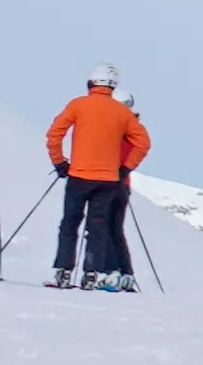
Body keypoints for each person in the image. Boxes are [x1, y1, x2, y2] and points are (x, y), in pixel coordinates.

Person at [43, 71, 147, 289]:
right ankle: (91, 274)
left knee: (70, 223)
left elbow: (55, 133)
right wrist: (126, 168)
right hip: (109, 179)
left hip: (79, 175)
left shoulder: (78, 105)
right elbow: (143, 142)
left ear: (91, 83)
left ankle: (63, 272)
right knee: (98, 227)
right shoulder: (122, 112)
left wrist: (59, 162)